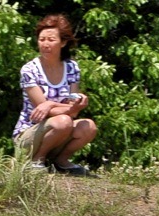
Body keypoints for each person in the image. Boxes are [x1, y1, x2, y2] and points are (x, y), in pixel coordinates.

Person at [12, 13, 98, 176]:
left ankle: (62, 162)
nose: (45, 44)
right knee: (63, 121)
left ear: (63, 43)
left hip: (59, 130)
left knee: (89, 126)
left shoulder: (72, 67)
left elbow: (74, 110)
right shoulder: (29, 70)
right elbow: (43, 111)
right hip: (29, 134)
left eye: (51, 40)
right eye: (41, 39)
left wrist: (51, 103)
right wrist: (57, 107)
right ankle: (36, 160)